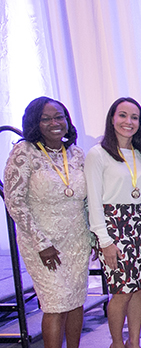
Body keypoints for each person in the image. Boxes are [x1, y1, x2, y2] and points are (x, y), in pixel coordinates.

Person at [4, 97, 90, 348]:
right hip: (42, 242)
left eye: (59, 116)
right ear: (35, 122)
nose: (55, 122)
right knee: (55, 304)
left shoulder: (75, 153)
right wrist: (41, 243)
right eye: (46, 118)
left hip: (77, 240)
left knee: (75, 300)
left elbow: (85, 200)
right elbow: (15, 202)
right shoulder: (23, 152)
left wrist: (92, 236)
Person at [85, 97, 141, 348]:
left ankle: (134, 342)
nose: (128, 122)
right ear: (112, 118)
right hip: (113, 228)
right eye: (122, 115)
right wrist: (104, 240)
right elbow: (93, 201)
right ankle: (116, 343)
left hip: (138, 224)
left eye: (134, 117)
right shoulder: (98, 154)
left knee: (138, 288)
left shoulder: (140, 154)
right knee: (121, 291)